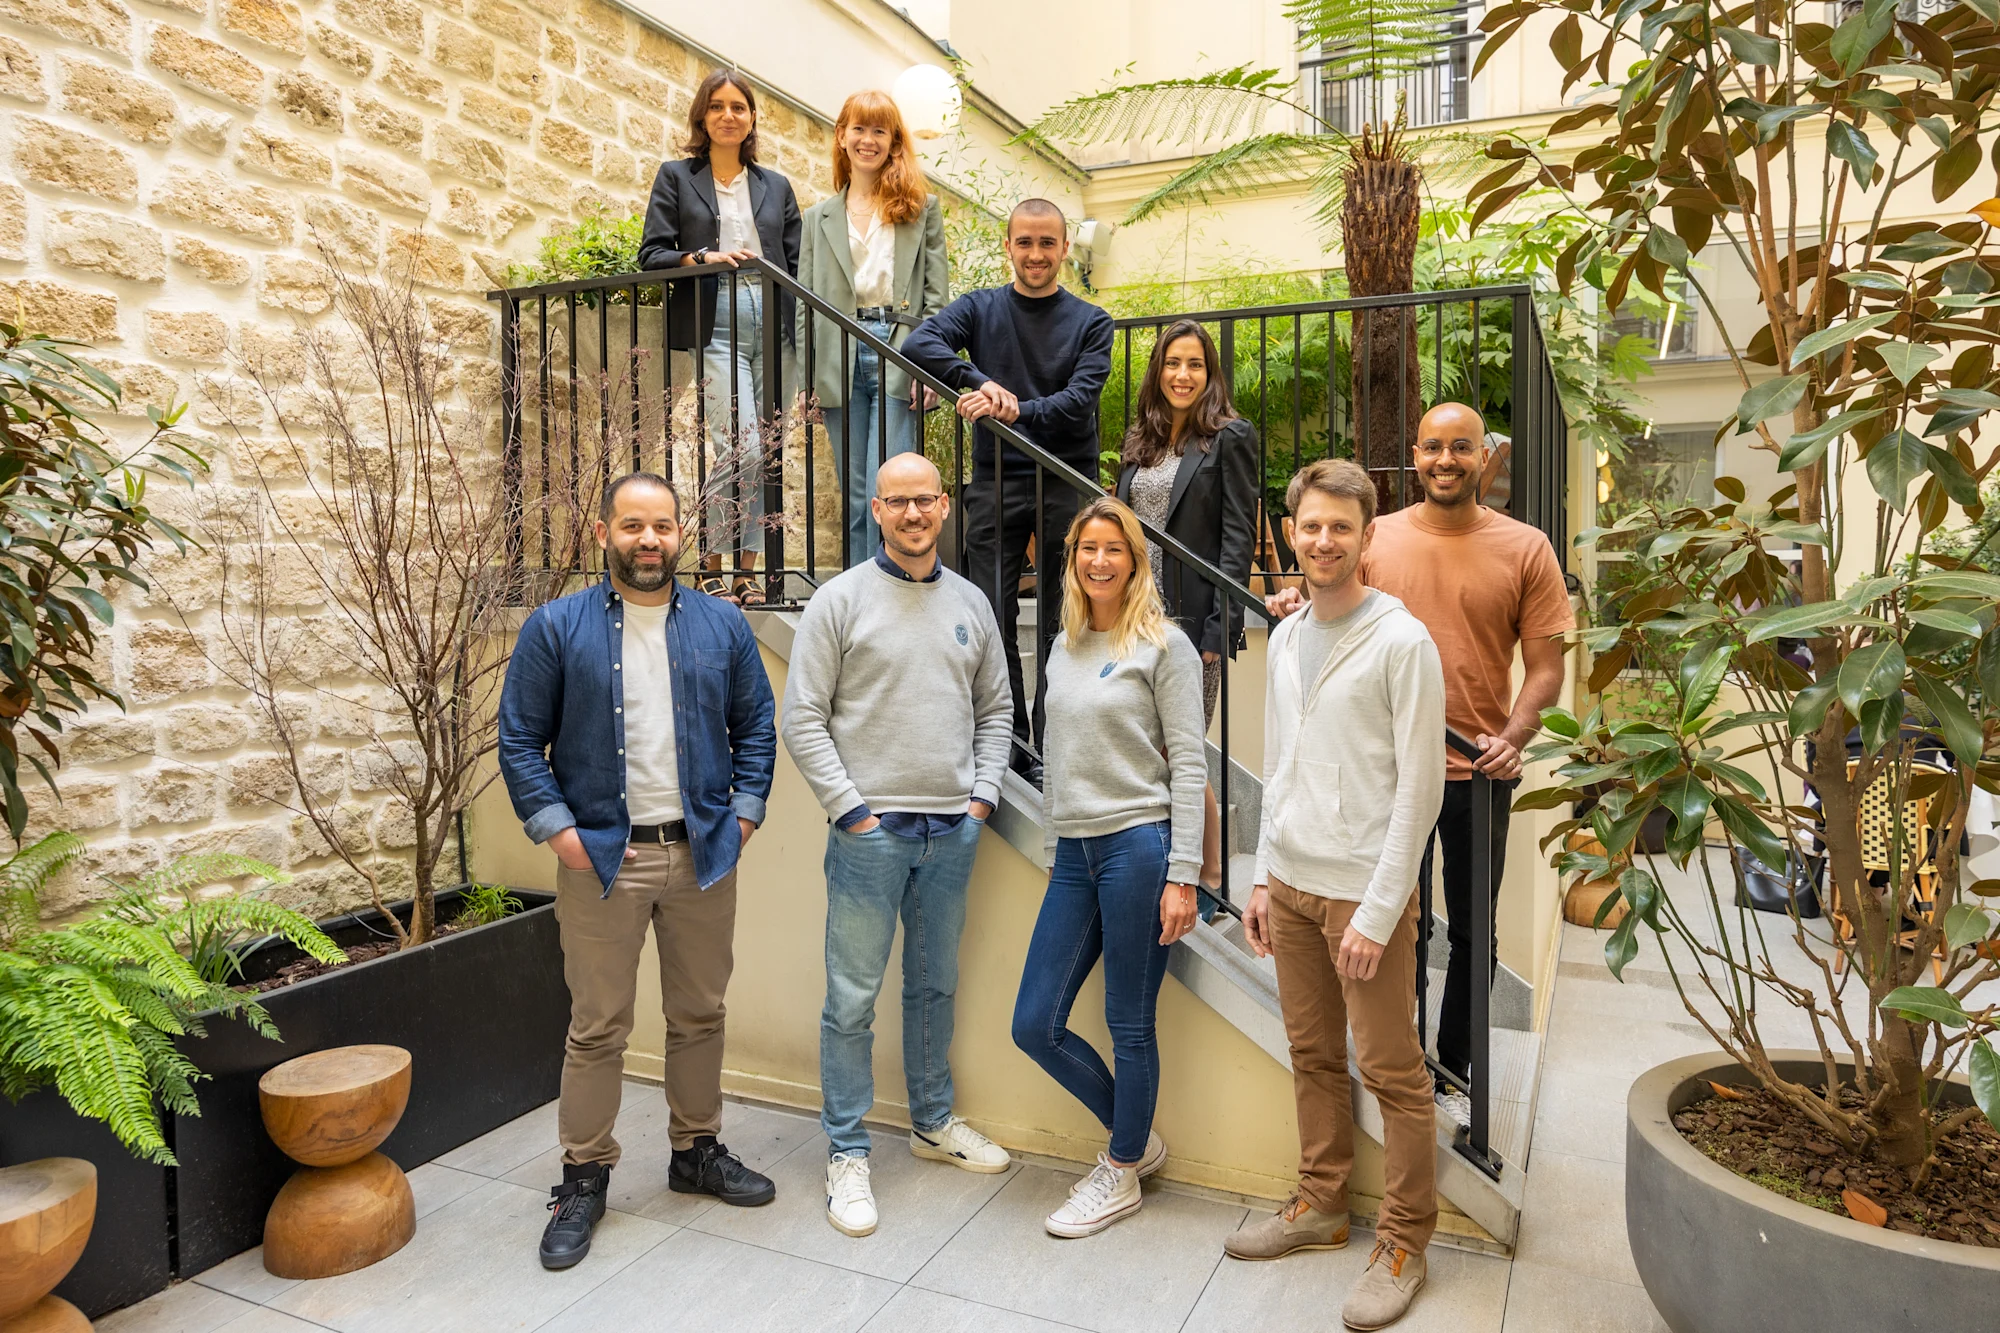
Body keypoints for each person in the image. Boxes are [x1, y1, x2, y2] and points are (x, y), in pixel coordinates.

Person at [497, 472, 778, 1271]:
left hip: (703, 854)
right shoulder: (556, 627)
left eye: (662, 525)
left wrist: (744, 814)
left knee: (700, 1013)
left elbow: (757, 726)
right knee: (598, 1026)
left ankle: (696, 1150)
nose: (648, 540)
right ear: (603, 532)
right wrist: (562, 835)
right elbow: (519, 739)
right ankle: (583, 1176)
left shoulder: (723, 625)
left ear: (681, 533)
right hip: (602, 861)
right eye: (632, 525)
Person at [1265, 402, 1572, 1121]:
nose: (1445, 460)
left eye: (1461, 447)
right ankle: (1399, 1061)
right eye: (1433, 446)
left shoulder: (1526, 548)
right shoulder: (1380, 536)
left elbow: (1547, 668)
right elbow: (1338, 595)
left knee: (1471, 932)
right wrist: (1295, 598)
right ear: (1415, 454)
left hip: (1475, 773)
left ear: (1484, 457)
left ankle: (1454, 1074)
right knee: (1403, 923)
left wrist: (1515, 736)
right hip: (1385, 775)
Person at [1227, 458, 1445, 1331]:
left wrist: (1381, 910)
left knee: (1394, 1071)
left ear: (1367, 534)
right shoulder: (1285, 637)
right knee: (1311, 1052)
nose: (1323, 541)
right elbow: (1278, 764)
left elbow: (1420, 789)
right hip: (1290, 882)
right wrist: (1258, 874)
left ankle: (1405, 1241)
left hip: (1362, 894)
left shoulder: (1402, 641)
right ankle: (1322, 1202)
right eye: (1310, 526)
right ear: (1291, 532)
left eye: (1340, 527)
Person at [780, 452, 1016, 1239]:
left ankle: (932, 1122)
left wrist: (981, 800)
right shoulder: (840, 601)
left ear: (945, 506)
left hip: (951, 831)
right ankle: (847, 1151)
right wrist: (852, 811)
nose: (913, 514)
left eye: (925, 500)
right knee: (851, 999)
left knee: (934, 985)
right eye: (897, 502)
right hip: (870, 838)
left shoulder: (971, 603)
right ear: (876, 509)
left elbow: (996, 711)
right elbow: (802, 716)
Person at [1011, 497, 1205, 1238]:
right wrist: (1054, 839)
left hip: (1137, 847)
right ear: (1072, 560)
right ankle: (1137, 1138)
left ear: (1134, 561)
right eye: (1087, 548)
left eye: (1113, 549)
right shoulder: (1063, 645)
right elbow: (1059, 754)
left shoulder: (1164, 646)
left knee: (1128, 1020)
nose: (1099, 560)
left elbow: (1190, 764)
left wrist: (1183, 874)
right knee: (1035, 1024)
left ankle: (1121, 1169)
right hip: (1074, 852)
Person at [902, 198, 1114, 783]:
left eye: (1047, 243)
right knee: (990, 616)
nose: (1036, 254)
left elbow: (1079, 402)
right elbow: (920, 345)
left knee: (1062, 618)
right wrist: (981, 382)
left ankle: (1052, 749)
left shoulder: (1092, 321)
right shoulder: (981, 308)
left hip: (1066, 479)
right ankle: (1013, 743)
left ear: (1064, 248)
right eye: (1025, 242)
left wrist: (1013, 409)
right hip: (996, 479)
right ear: (1009, 246)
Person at [638, 70, 802, 607]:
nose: (728, 115)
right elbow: (652, 253)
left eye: (738, 107)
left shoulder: (775, 185)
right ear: (702, 117)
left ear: (752, 118)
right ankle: (711, 563)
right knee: (741, 445)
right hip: (716, 314)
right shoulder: (676, 176)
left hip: (773, 315)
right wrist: (703, 257)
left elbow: (797, 266)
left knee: (766, 450)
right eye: (717, 106)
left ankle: (745, 574)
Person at [1114, 319, 1258, 898]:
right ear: (1158, 370)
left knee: (1182, 750)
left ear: (1210, 373)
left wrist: (1221, 628)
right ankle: (1174, 868)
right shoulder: (1140, 441)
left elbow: (1238, 537)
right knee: (1150, 746)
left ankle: (1212, 878)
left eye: (1195, 364)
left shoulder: (1229, 437)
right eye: (1173, 363)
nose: (1183, 374)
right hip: (1132, 618)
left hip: (1191, 622)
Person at [797, 90, 948, 567]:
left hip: (899, 349)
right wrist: (806, 380)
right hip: (837, 353)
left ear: (894, 141)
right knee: (858, 493)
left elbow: (936, 301)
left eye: (879, 130)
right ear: (842, 137)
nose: (868, 140)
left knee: (894, 490)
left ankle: (894, 587)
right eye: (859, 129)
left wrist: (930, 368)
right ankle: (862, 592)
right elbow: (805, 305)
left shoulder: (921, 209)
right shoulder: (817, 218)